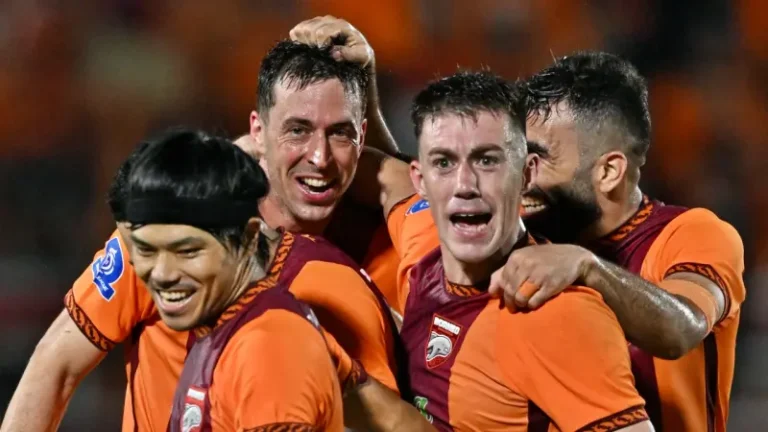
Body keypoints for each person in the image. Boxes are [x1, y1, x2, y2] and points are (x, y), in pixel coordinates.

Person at [1, 37, 403, 432]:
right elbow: (56, 365)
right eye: (297, 130)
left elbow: (386, 421)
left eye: (339, 133)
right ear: (258, 131)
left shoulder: (341, 281)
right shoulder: (162, 226)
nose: (319, 156)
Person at [351, 70, 654, 431]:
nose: (464, 185)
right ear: (420, 180)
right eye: (443, 163)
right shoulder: (426, 245)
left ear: (527, 174)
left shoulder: (555, 315)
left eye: (487, 160)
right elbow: (366, 169)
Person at [487, 52, 745, 432]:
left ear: (608, 171)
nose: (521, 176)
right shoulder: (518, 238)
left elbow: (681, 329)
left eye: (538, 159)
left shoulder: (691, 233)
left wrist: (588, 268)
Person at [122, 128, 344, 431]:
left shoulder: (267, 344)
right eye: (146, 250)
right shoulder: (227, 331)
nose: (162, 274)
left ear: (250, 238)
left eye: (187, 251)